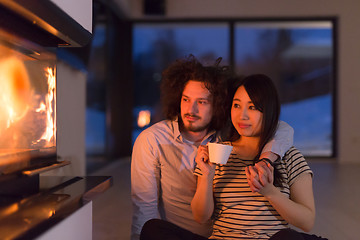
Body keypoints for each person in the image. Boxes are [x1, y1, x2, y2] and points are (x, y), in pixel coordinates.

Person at [140, 74, 327, 240]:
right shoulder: (218, 151)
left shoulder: (289, 156)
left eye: (252, 107)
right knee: (153, 229)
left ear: (268, 111)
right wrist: (206, 176)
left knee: (289, 238)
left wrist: (270, 192)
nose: (242, 115)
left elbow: (307, 221)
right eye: (237, 105)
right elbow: (200, 216)